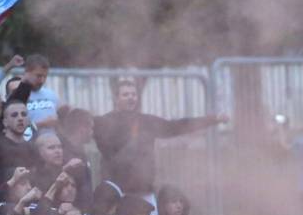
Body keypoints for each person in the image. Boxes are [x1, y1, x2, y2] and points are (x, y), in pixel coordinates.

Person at [92, 76, 224, 196]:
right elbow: (82, 127)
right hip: (115, 194)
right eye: (125, 94)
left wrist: (212, 120)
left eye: (134, 94)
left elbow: (175, 126)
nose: (131, 97)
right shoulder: (104, 122)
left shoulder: (147, 122)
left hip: (144, 192)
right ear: (116, 98)